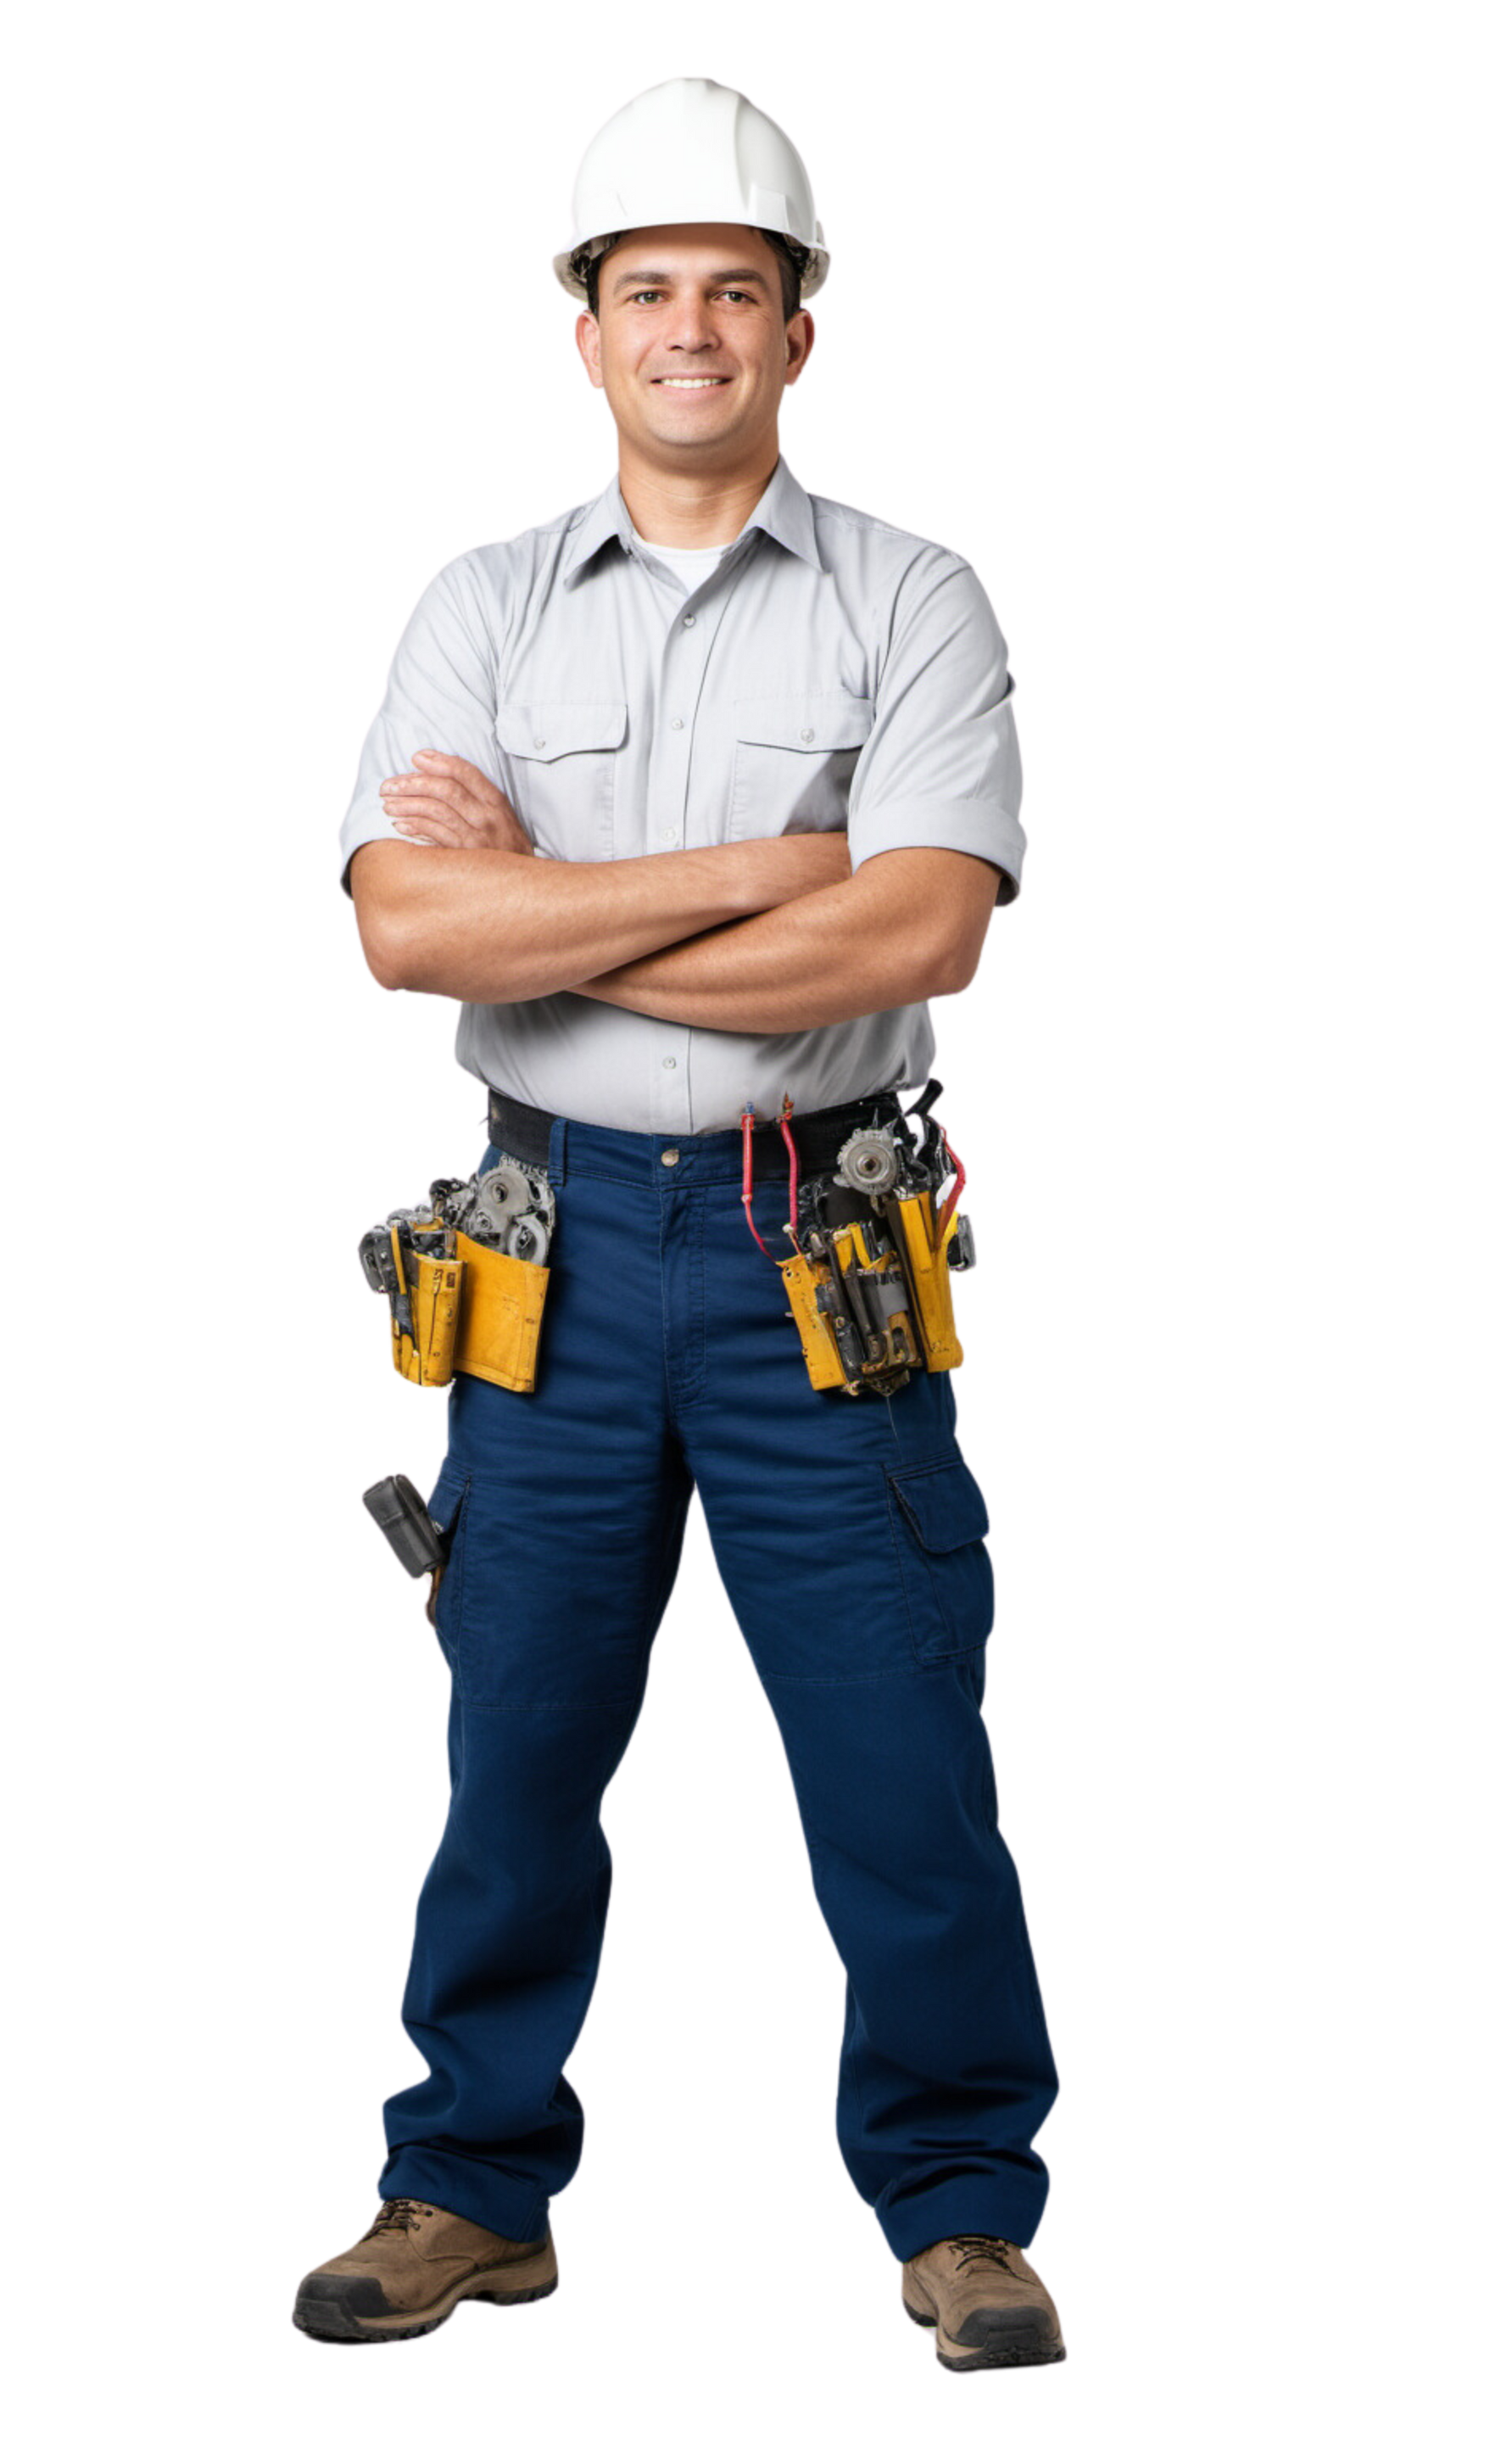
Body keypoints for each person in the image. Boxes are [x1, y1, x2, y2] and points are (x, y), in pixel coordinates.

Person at [292, 73, 1067, 2379]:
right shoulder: (481, 603)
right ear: (588, 332)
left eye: (741, 289)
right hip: (541, 1255)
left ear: (802, 333)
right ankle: (466, 2185)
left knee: (898, 1759)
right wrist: (762, 865)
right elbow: (397, 935)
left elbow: (922, 937)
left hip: (809, 1255)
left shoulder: (915, 596)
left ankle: (960, 2209)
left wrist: (540, 914)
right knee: (512, 1745)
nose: (696, 327)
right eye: (652, 291)